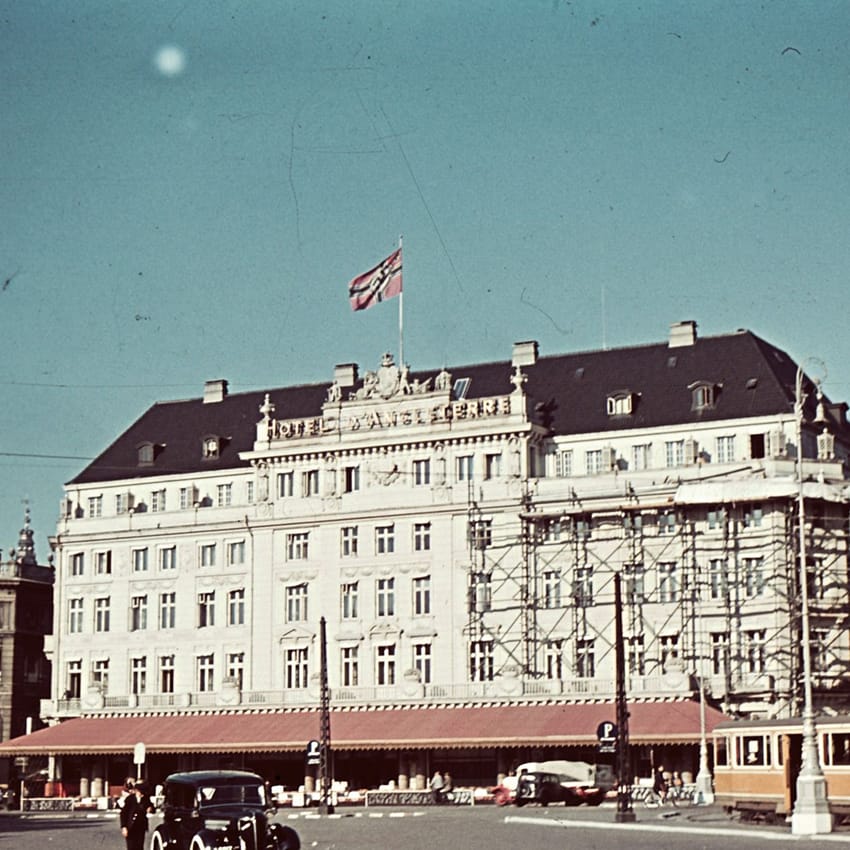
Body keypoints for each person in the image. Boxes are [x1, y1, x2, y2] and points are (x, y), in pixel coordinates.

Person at [120, 782, 148, 850]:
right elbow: (123, 813)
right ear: (136, 791)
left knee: (140, 846)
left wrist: (151, 809)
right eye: (140, 791)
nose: (142, 794)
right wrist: (124, 827)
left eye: (143, 792)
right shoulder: (130, 799)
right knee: (131, 846)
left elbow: (151, 807)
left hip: (141, 827)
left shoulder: (146, 798)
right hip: (130, 826)